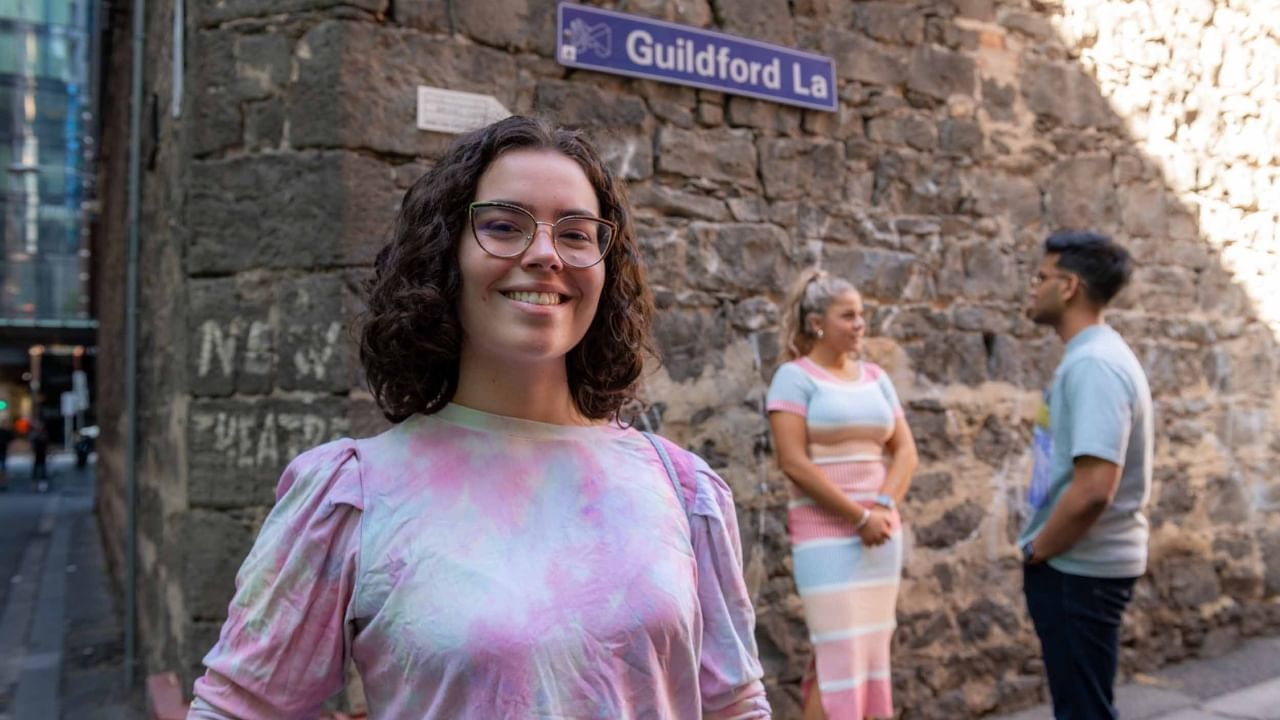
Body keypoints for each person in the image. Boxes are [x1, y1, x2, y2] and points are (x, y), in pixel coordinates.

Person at [188, 116, 770, 719]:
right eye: (503, 225)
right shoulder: (353, 496)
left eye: (575, 233)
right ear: (445, 256)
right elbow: (237, 710)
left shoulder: (683, 490)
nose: (545, 253)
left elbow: (733, 706)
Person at [766, 270, 918, 720]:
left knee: (867, 660)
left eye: (862, 315)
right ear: (816, 322)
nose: (859, 324)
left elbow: (906, 451)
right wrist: (858, 517)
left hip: (880, 535)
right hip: (826, 538)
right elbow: (793, 463)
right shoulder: (793, 379)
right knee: (839, 657)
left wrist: (883, 508)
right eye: (847, 315)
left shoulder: (875, 377)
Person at [1019, 231, 1152, 720]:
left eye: (1042, 276)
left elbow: (1095, 489)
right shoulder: (1091, 356)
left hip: (1078, 569)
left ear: (1069, 286)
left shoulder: (1095, 363)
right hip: (1077, 567)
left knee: (1083, 712)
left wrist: (1041, 550)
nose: (1033, 287)